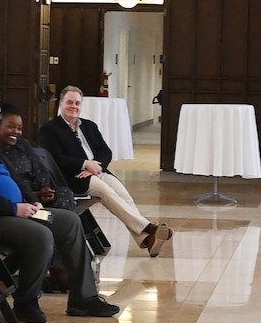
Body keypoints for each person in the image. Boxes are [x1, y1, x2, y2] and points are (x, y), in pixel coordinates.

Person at [0, 93, 120, 323]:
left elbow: (13, 179)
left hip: (12, 211)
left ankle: (83, 298)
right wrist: (14, 208)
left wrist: (31, 199)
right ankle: (26, 302)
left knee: (69, 221)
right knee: (40, 235)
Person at [0, 108, 120, 319]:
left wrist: (41, 192)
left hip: (34, 207)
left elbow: (41, 172)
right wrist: (33, 196)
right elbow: (7, 184)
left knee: (69, 216)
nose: (15, 131)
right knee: (49, 230)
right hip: (15, 212)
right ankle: (53, 276)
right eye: (10, 126)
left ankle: (84, 298)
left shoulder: (22, 146)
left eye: (19, 127)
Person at [39, 86, 173, 257]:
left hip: (96, 172)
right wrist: (84, 164)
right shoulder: (49, 129)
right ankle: (148, 228)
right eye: (69, 102)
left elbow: (105, 151)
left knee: (122, 194)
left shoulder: (89, 126)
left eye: (77, 103)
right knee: (104, 190)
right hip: (72, 177)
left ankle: (146, 239)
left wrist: (96, 166)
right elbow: (54, 158)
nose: (74, 106)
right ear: (61, 103)